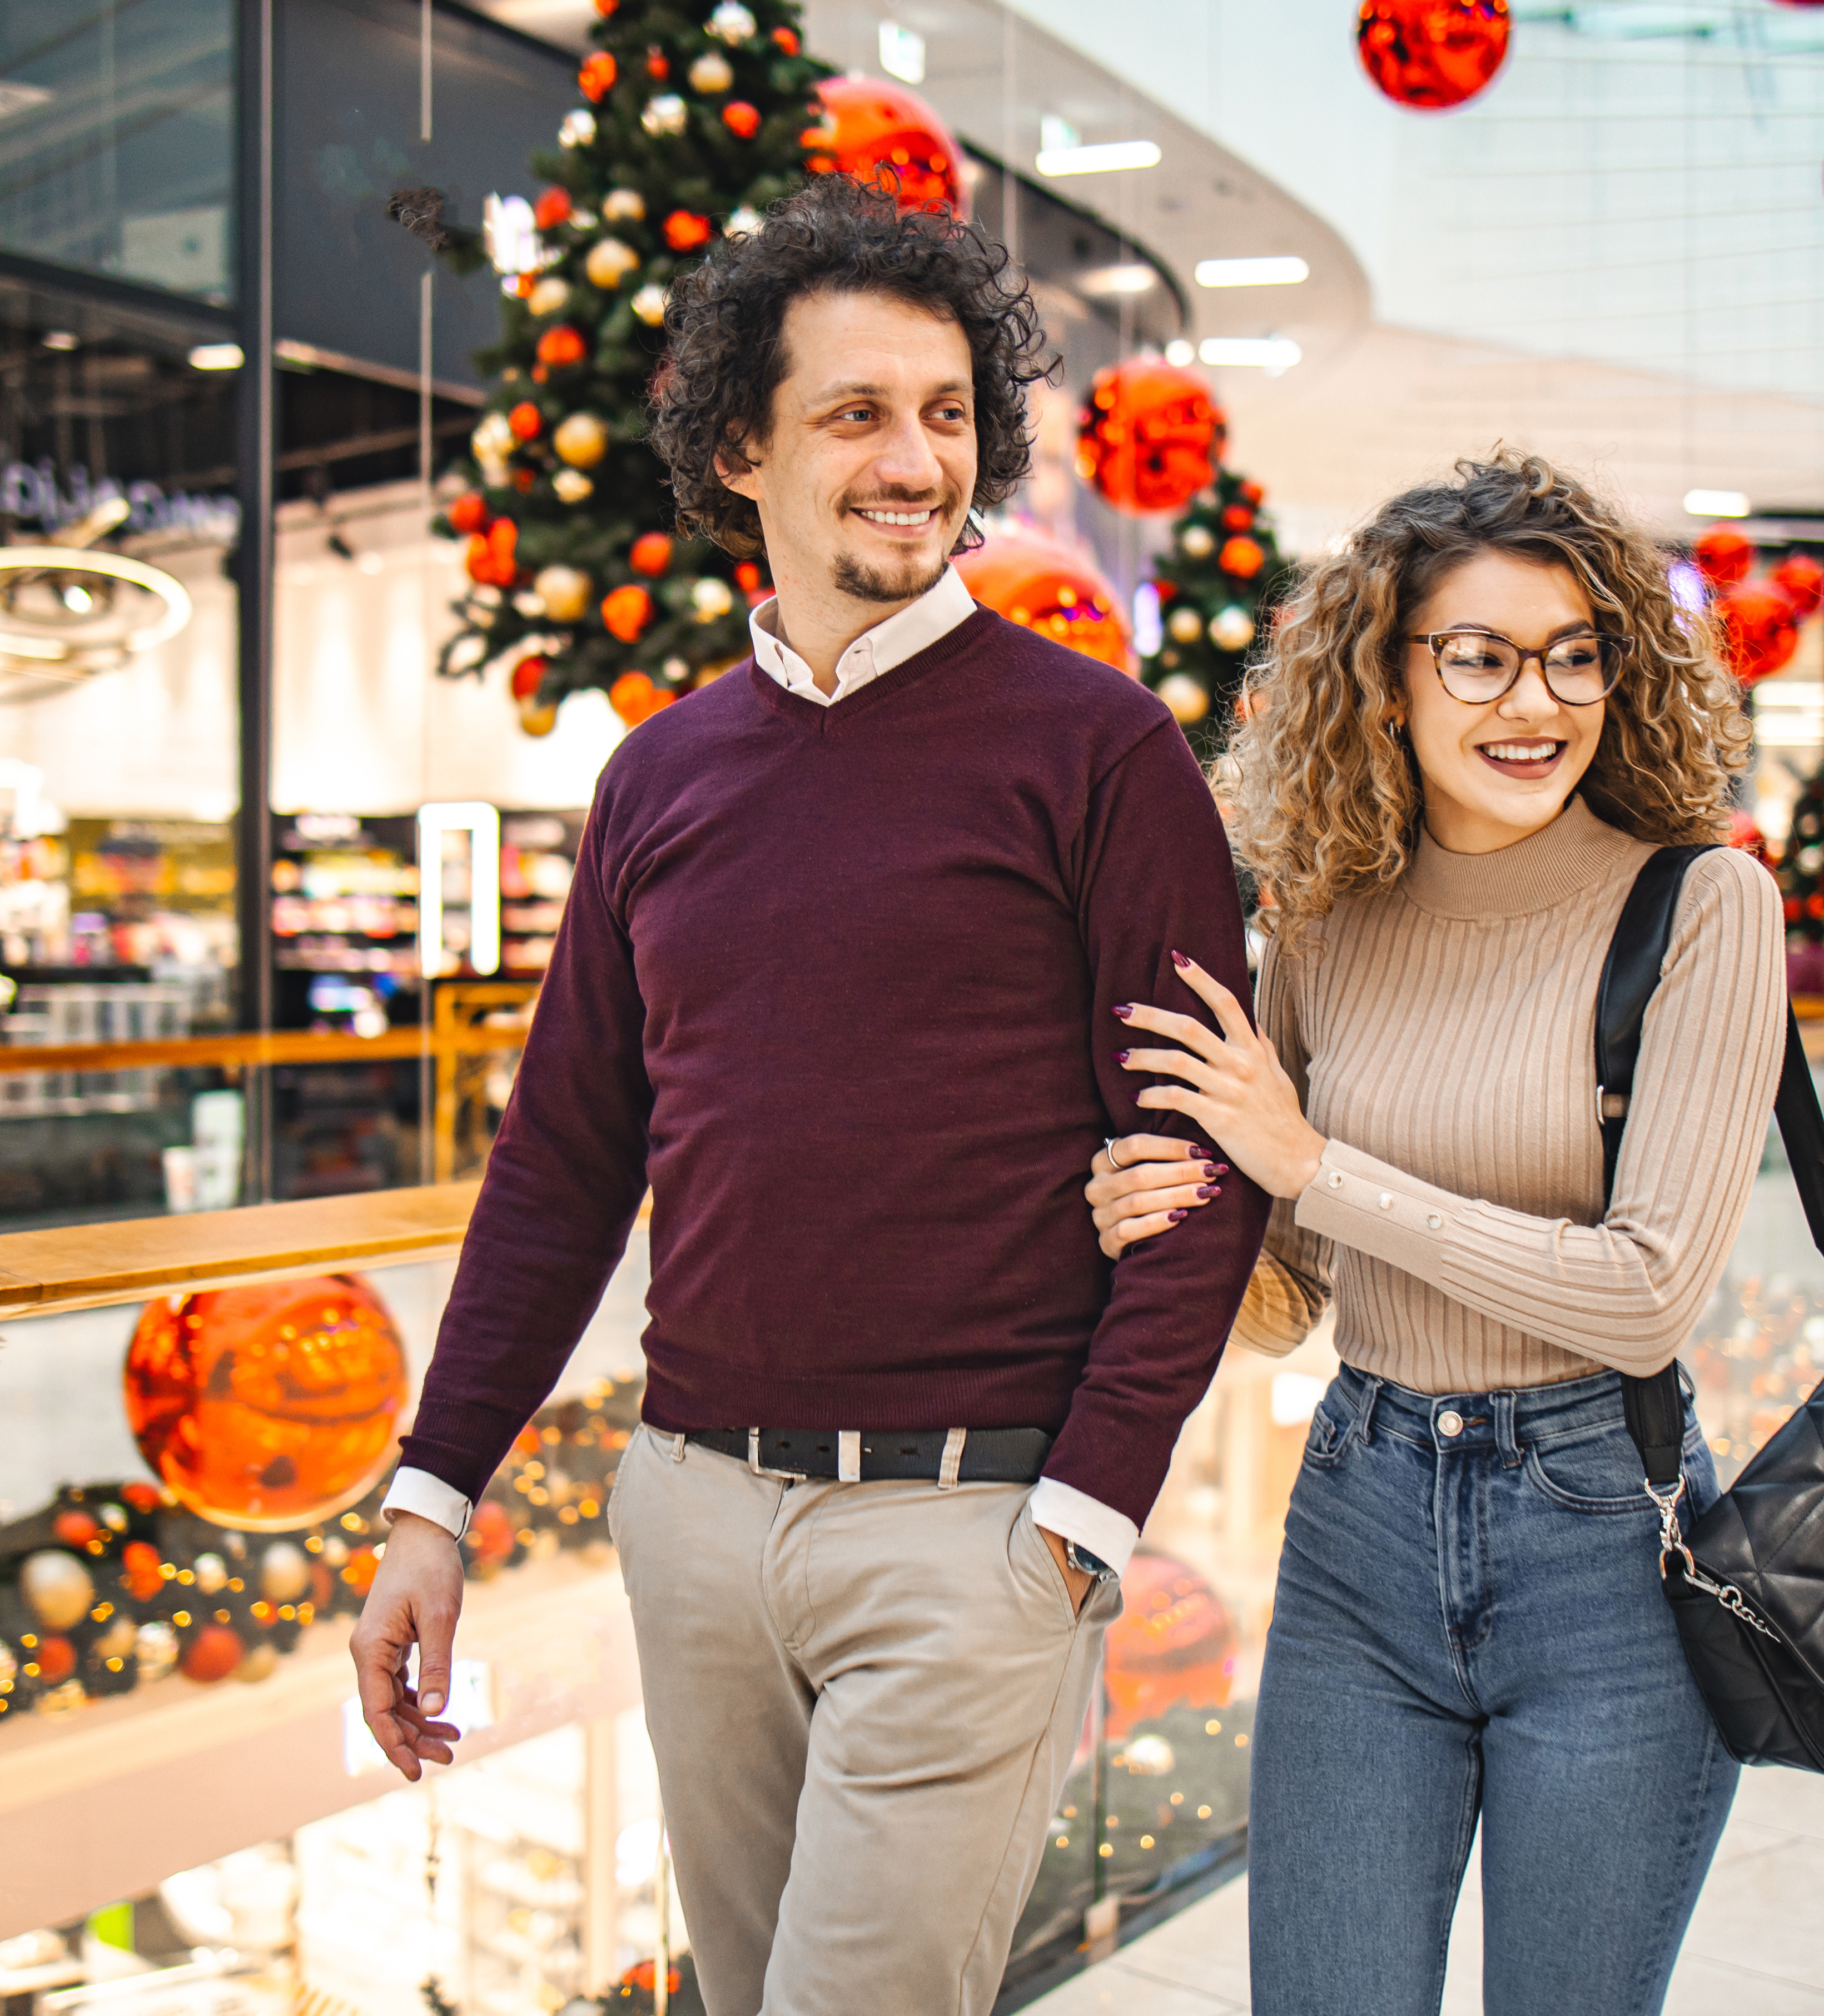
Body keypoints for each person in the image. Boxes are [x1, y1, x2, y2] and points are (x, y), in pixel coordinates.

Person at [350, 176, 1269, 2016]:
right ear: (742, 451)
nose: (912, 460)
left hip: (971, 1533)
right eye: (856, 413)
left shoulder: (1096, 750)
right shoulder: (659, 774)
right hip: (693, 1522)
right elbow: (560, 1168)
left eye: (945, 414)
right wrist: (430, 1494)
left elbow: (1200, 1158)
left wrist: (1082, 1517)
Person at [1087, 451, 1781, 2016]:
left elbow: (1646, 1294)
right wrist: (1162, 1220)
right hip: (1358, 1519)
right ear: (1386, 680)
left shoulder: (1702, 911)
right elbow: (1288, 1296)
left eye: (1575, 651)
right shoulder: (1323, 921)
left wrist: (1309, 1162)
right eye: (1477, 655)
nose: (1533, 698)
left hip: (1609, 1542)